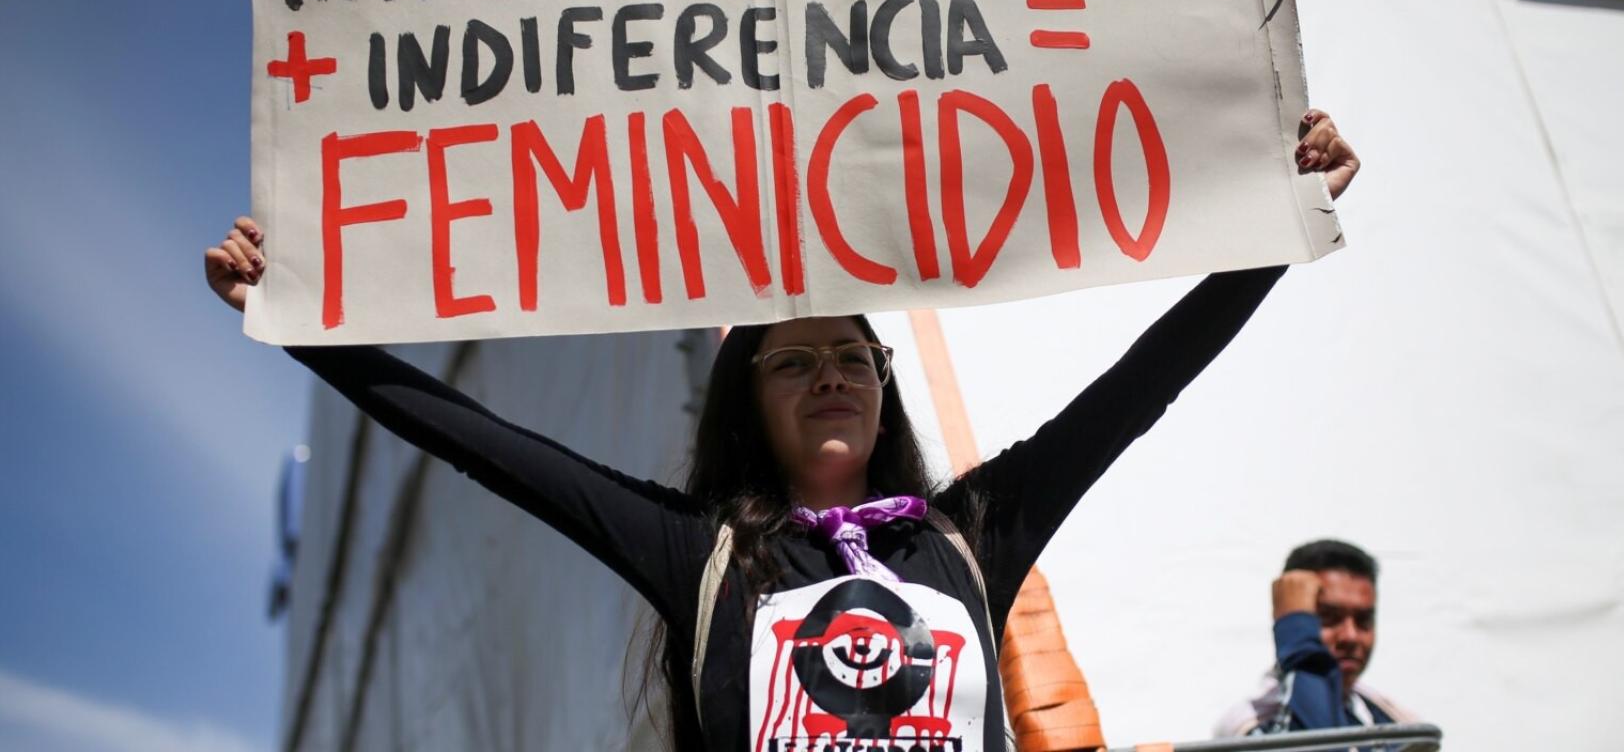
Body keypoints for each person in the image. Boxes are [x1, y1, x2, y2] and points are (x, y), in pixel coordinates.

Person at [207, 112, 1359, 752]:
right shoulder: (695, 552)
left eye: (853, 357)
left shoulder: (970, 532)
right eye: (793, 360)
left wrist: (1281, 217)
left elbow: (1138, 386)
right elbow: (481, 443)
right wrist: (298, 321)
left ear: (882, 384)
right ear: (746, 399)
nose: (830, 378)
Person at [1214, 539, 1417, 739]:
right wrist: (1301, 642)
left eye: (1363, 620)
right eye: (1328, 618)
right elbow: (1321, 744)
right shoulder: (1252, 727)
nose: (1350, 636)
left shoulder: (1392, 721)